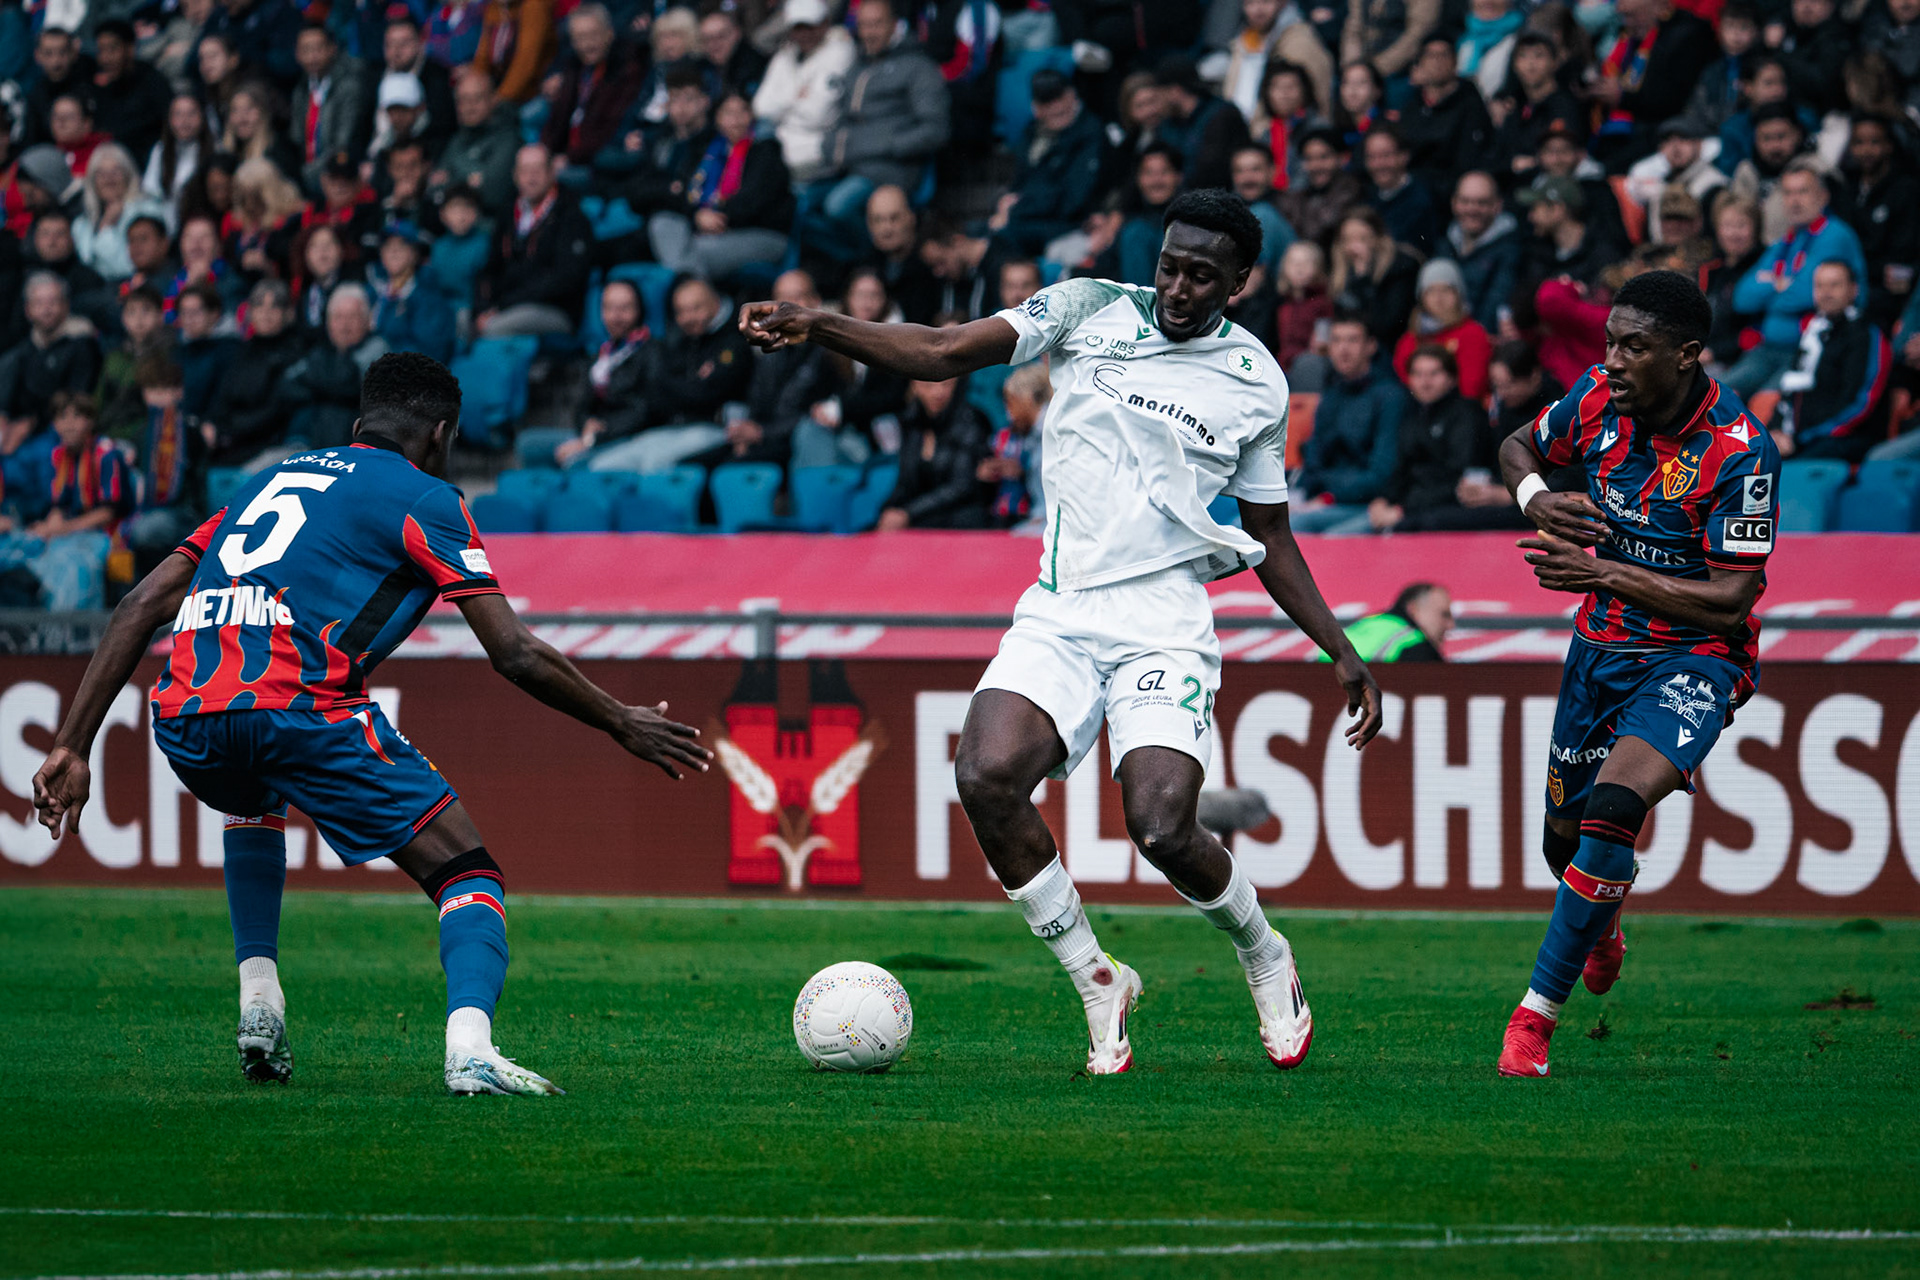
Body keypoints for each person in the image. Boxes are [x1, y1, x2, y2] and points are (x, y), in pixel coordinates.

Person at [739, 189, 1384, 1074]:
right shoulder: (1087, 308)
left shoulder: (1256, 380)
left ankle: (1266, 953)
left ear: (1239, 283)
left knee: (1160, 828)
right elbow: (940, 354)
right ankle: (1097, 979)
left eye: (1203, 276)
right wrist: (819, 323)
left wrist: (1340, 649)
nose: (1179, 289)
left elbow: (1270, 535)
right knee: (985, 775)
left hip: (1162, 624)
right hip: (1061, 609)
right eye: (1170, 266)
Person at [31, 352, 711, 1095]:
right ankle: (470, 1050)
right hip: (298, 708)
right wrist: (619, 721)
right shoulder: (427, 497)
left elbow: (138, 606)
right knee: (467, 872)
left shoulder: (268, 481)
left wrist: (72, 744)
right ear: (441, 434)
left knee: (254, 796)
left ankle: (259, 1000)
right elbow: (512, 653)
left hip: (186, 715)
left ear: (359, 424)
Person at [1494, 269, 1779, 1078]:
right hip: (1599, 653)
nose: (1611, 361)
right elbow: (1517, 444)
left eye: (1634, 347)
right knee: (1564, 847)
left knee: (1615, 809)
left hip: (1694, 657)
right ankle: (1602, 916)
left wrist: (1605, 574)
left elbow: (1729, 602)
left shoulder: (1740, 452)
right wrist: (1534, 497)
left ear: (1687, 355)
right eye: (1610, 342)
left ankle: (1533, 1022)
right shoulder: (1593, 400)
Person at [797, 0, 950, 257]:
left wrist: (887, 145)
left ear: (894, 25)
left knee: (838, 206)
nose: (869, 32)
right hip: (850, 166)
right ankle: (855, 262)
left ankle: (873, 260)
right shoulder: (857, 68)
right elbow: (840, 118)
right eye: (864, 25)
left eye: (877, 24)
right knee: (800, 206)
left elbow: (936, 130)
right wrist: (831, 146)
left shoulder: (918, 67)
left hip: (893, 170)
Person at [579, 276, 752, 473]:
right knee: (602, 467)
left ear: (715, 304)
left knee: (655, 465)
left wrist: (684, 386)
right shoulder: (680, 344)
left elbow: (703, 394)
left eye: (696, 308)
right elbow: (660, 394)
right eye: (681, 312)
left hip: (715, 428)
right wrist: (691, 383)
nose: (688, 317)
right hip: (672, 428)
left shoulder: (733, 344)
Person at [1724, 160, 1867, 398]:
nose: (1794, 200)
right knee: (1716, 396)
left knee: (1763, 406)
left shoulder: (1834, 235)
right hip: (1768, 349)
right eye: (1788, 193)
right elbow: (1742, 297)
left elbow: (1805, 293)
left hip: (1811, 350)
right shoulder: (1786, 240)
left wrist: (1773, 285)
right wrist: (1783, 284)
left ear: (1823, 196)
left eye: (1803, 191)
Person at [0, 391, 133, 610]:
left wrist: (62, 529)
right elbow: (59, 506)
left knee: (71, 567)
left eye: (76, 417)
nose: (69, 425)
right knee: (17, 546)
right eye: (62, 417)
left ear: (90, 421)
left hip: (107, 535)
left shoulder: (106, 453)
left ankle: (68, 637)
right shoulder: (60, 456)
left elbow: (107, 513)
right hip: (69, 532)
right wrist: (47, 527)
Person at [645, 90, 794, 284]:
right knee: (662, 223)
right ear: (717, 119)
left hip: (758, 232)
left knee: (694, 253)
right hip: (704, 229)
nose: (736, 119)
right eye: (728, 113)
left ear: (752, 116)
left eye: (743, 111)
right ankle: (693, 296)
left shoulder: (765, 152)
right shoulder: (704, 153)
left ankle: (690, 297)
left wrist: (714, 217)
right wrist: (697, 215)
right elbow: (681, 195)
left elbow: (753, 202)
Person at [1291, 315, 1405, 533]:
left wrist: (1328, 494)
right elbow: (1314, 458)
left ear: (1370, 346)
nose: (1343, 349)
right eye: (1336, 341)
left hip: (1364, 504)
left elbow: (1382, 473)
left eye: (1352, 340)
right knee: (1241, 525)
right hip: (1324, 499)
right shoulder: (1331, 395)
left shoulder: (1390, 397)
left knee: (1294, 529)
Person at [1368, 344, 1500, 532]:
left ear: (1452, 378)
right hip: (1407, 511)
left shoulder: (1467, 416)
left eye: (1433, 374)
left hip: (1444, 515)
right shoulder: (1413, 416)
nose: (1425, 382)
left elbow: (1460, 480)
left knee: (1345, 536)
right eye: (1418, 374)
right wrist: (1383, 500)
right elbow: (1400, 471)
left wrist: (1403, 510)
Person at [1771, 260, 1891, 463]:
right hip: (1801, 439)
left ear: (1854, 290)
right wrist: (1774, 430)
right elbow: (1789, 392)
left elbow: (1860, 405)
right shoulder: (1815, 331)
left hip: (1844, 439)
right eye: (1820, 285)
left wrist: (1801, 440)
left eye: (1835, 285)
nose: (1826, 292)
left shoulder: (1866, 335)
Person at [474, 144, 594, 337]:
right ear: (515, 175)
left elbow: (565, 279)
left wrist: (505, 305)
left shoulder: (572, 216)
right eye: (525, 171)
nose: (531, 178)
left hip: (554, 309)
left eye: (537, 170)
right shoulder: (507, 213)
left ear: (551, 172)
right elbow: (490, 268)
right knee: (462, 322)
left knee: (493, 329)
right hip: (508, 305)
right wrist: (483, 307)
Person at [987, 70, 1108, 259]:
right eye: (1046, 101)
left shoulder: (1091, 133)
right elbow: (1017, 182)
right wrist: (1004, 202)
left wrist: (1016, 208)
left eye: (1058, 97)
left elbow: (1073, 199)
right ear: (1035, 107)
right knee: (978, 231)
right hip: (1033, 217)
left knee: (1001, 238)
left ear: (1072, 95)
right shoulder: (1031, 133)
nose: (1055, 107)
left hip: (1070, 222)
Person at [750, 0, 856, 187]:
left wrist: (782, 105)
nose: (803, 34)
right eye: (797, 28)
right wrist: (796, 96)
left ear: (824, 23)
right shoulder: (786, 54)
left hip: (816, 155)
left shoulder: (840, 51)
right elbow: (760, 107)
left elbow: (817, 115)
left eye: (809, 27)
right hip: (782, 151)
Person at [205, 281, 308, 467]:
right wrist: (213, 427)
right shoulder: (240, 351)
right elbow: (222, 399)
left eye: (275, 306)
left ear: (287, 313)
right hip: (232, 443)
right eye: (259, 305)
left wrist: (226, 431)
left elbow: (275, 412)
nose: (266, 313)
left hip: (271, 447)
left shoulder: (296, 353)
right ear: (250, 311)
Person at [875, 375, 994, 530]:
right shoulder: (910, 423)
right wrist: (889, 510)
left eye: (946, 385)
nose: (938, 392)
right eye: (928, 386)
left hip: (961, 518)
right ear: (914, 386)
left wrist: (908, 513)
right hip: (921, 516)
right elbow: (905, 483)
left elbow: (962, 487)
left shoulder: (972, 421)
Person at [540, 4, 643, 170]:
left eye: (593, 35)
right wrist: (546, 151)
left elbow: (606, 132)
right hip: (570, 155)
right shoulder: (575, 67)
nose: (587, 45)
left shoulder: (624, 70)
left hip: (595, 162)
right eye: (580, 38)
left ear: (609, 33)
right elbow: (557, 119)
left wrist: (569, 158)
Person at [1398, 37, 1492, 200]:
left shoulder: (1472, 104)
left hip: (1455, 192)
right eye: (1431, 56)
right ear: (1420, 64)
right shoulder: (1410, 106)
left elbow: (1471, 157)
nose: (1437, 62)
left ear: (1455, 62)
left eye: (1444, 55)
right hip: (1415, 190)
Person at [291, 25, 376, 195]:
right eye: (306, 50)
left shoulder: (350, 85)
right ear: (297, 55)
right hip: (307, 173)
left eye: (318, 49)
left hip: (338, 171)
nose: (312, 56)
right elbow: (296, 139)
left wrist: (306, 175)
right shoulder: (301, 89)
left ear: (332, 49)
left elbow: (343, 143)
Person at [1393, 258, 1492, 401]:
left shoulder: (1472, 333)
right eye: (1431, 291)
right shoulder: (1410, 339)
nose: (1438, 298)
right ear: (1421, 298)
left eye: (1446, 290)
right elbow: (1404, 384)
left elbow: (1472, 387)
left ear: (1458, 295)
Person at [1154, 56, 1251, 192]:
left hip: (1218, 199)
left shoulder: (1222, 115)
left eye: (1160, 93)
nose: (1158, 102)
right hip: (1178, 200)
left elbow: (1212, 169)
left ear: (1175, 91)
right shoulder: (1167, 125)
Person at [1328, 208, 1420, 350]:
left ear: (1377, 238)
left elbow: (1386, 325)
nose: (1354, 247)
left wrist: (1363, 279)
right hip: (1349, 348)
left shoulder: (1400, 268)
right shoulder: (1341, 270)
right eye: (1348, 239)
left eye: (1362, 238)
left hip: (1388, 348)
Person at [74, 145, 168, 283]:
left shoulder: (148, 211)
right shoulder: (81, 223)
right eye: (101, 173)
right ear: (92, 181)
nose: (108, 179)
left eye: (116, 171)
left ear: (128, 175)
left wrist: (106, 227)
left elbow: (127, 266)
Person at [431, 68, 518, 217]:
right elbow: (434, 191)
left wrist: (451, 179)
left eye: (477, 99)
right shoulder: (457, 139)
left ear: (493, 99)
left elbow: (492, 194)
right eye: (463, 100)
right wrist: (471, 179)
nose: (469, 107)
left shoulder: (509, 138)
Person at [1440, 171, 1521, 325]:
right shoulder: (1445, 244)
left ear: (1498, 205)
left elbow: (1495, 303)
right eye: (1465, 201)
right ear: (1454, 203)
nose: (1472, 209)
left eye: (1481, 202)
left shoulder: (1510, 249)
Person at [369, 222, 456, 364]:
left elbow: (431, 351)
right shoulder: (372, 291)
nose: (393, 252)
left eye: (401, 246)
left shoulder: (429, 296)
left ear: (414, 254)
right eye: (387, 247)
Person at [90, 20, 174, 163]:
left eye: (112, 49)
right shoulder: (101, 89)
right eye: (101, 51)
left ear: (130, 48)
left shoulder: (153, 83)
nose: (105, 59)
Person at [1277, 126, 1364, 247]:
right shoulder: (1301, 194)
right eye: (1309, 159)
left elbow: (1317, 232)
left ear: (1342, 158)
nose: (1316, 165)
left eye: (1324, 157)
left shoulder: (1352, 190)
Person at [1361, 125, 1441, 257]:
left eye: (1385, 155)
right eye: (1372, 157)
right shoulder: (1367, 196)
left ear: (1404, 156)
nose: (1378, 164)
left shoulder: (1421, 199)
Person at [1325, 581, 1455, 662]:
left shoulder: (1365, 624)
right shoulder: (1415, 645)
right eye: (1444, 615)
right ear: (1413, 609)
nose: (1451, 625)